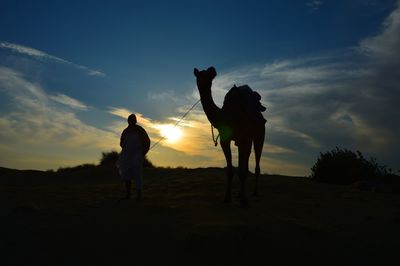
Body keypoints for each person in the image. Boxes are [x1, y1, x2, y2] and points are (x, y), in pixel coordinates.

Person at [117, 113, 150, 200]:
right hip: (126, 157)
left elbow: (147, 141)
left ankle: (139, 196)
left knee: (137, 175)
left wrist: (143, 152)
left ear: (135, 121)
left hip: (137, 157)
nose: (131, 121)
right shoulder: (125, 131)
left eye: (132, 119)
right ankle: (128, 195)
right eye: (130, 120)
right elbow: (121, 143)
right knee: (126, 175)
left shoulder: (140, 130)